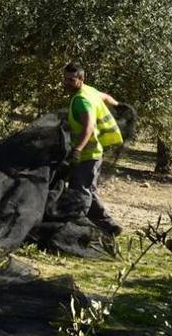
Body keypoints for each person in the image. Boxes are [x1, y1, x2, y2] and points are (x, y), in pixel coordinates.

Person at [62, 62, 124, 236]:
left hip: (87, 154)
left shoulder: (82, 100)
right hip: (94, 153)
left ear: (81, 79)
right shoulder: (89, 91)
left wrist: (77, 150)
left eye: (71, 80)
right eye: (65, 79)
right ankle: (109, 226)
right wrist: (118, 105)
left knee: (81, 192)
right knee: (88, 189)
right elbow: (105, 96)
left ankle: (78, 228)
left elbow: (88, 127)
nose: (66, 82)